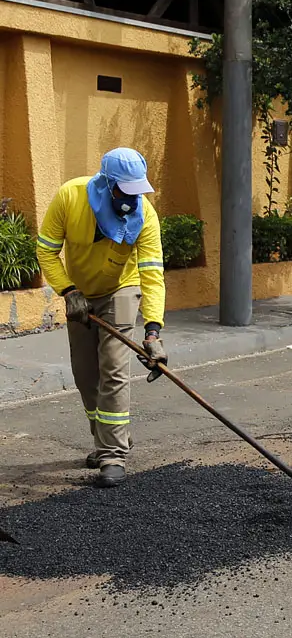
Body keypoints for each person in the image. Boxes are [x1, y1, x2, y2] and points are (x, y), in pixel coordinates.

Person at [35, 148, 166, 488]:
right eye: (126, 189)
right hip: (79, 293)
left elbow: (152, 273)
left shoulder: (145, 215)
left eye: (138, 189)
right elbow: (46, 250)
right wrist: (68, 291)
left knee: (112, 366)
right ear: (106, 184)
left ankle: (112, 454)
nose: (133, 196)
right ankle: (110, 434)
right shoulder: (70, 197)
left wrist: (153, 330)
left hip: (121, 288)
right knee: (84, 372)